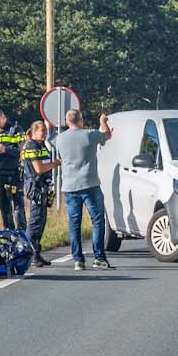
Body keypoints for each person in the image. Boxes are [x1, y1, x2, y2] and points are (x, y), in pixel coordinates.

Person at [55, 109, 114, 271]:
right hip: (90, 184)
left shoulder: (59, 139)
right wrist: (103, 122)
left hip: (69, 186)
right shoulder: (89, 135)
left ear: (67, 122)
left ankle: (78, 260)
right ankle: (99, 257)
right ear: (81, 120)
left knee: (74, 223)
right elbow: (107, 136)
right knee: (97, 220)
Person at [19, 120, 54, 266]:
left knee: (41, 222)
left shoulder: (40, 145)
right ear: (34, 132)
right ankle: (28, 255)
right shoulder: (31, 145)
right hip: (36, 186)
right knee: (34, 223)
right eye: (42, 131)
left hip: (42, 187)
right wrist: (55, 163)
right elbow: (39, 169)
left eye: (45, 131)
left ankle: (36, 254)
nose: (45, 133)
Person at [0, 107, 24, 231]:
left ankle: (21, 232)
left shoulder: (15, 130)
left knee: (17, 205)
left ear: (3, 117)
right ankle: (8, 231)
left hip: (14, 173)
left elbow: (22, 151)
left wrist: (6, 149)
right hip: (1, 174)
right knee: (4, 206)